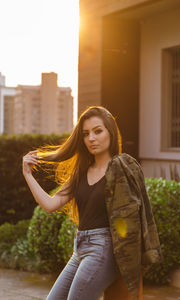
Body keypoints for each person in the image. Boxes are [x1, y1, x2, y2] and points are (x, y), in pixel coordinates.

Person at [22, 106, 162, 300]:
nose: (91, 138)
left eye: (98, 131)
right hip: (79, 248)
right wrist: (28, 175)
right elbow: (50, 204)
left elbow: (134, 216)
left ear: (110, 132)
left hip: (103, 248)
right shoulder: (81, 171)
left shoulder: (121, 167)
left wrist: (133, 257)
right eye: (86, 134)